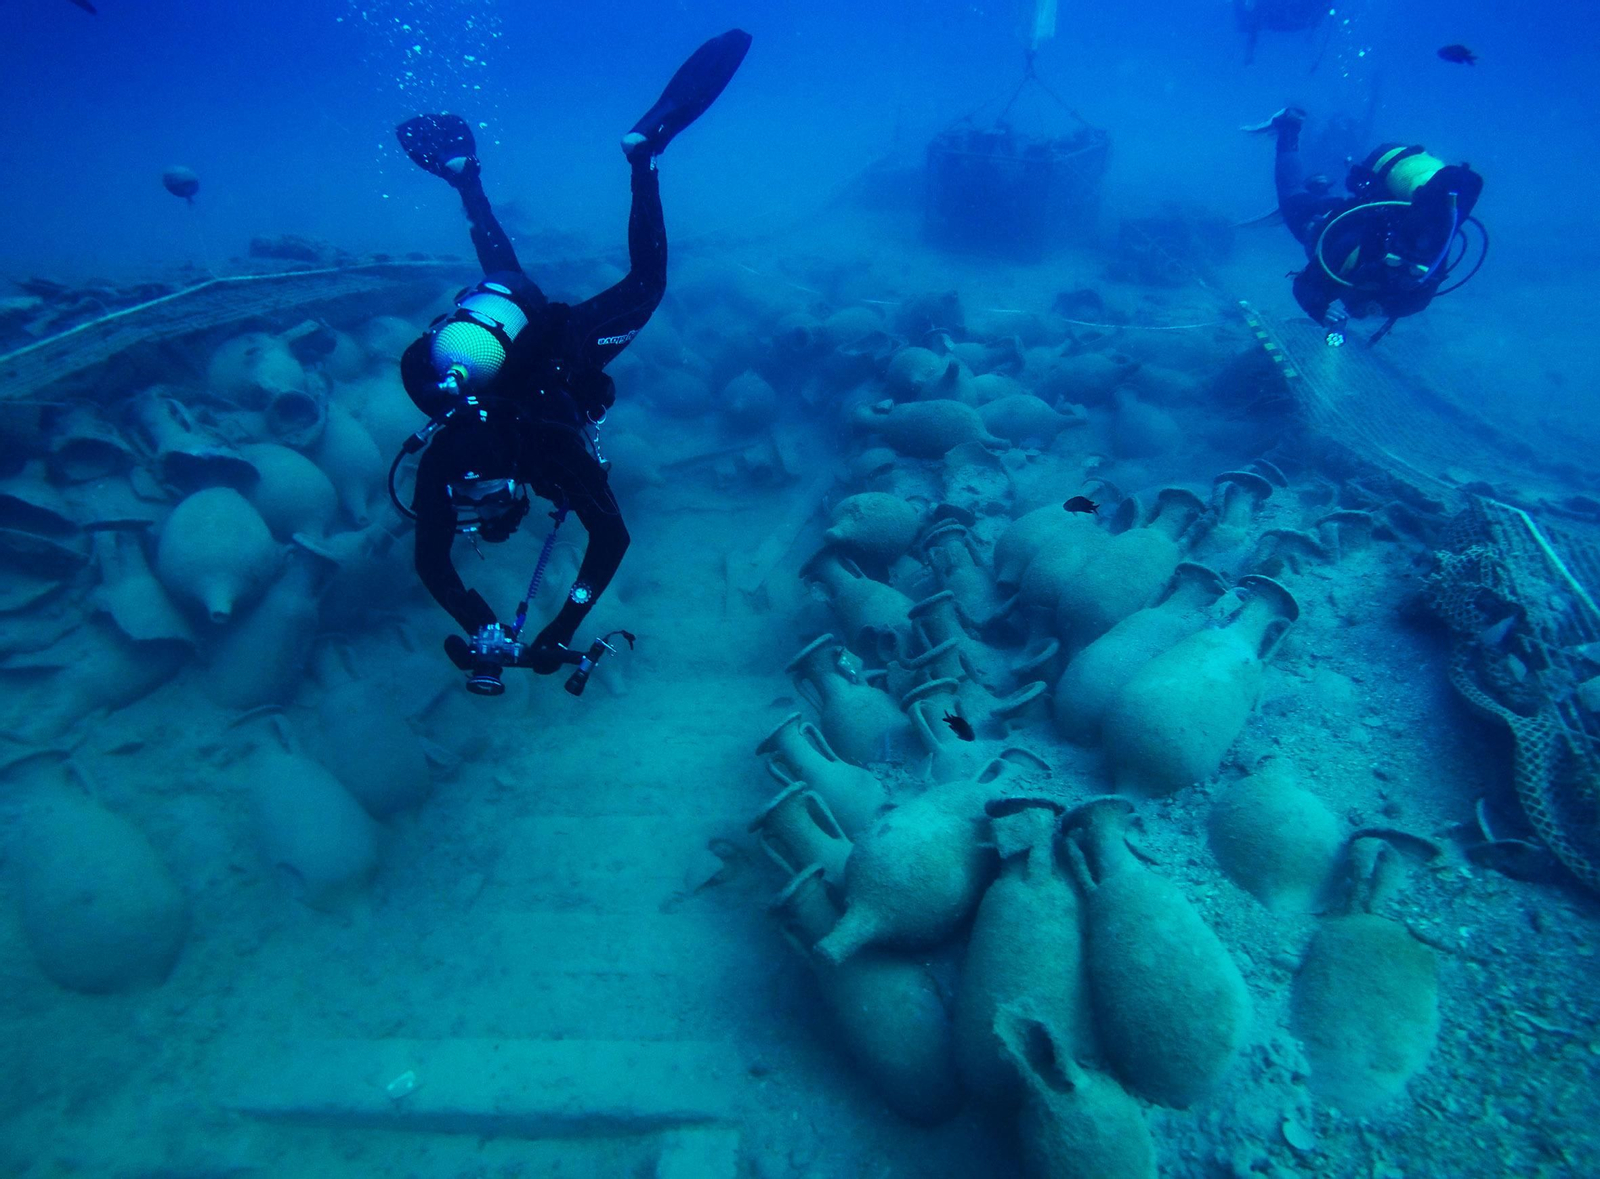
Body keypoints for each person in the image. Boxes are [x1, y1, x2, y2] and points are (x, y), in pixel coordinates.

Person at [393, 30, 752, 695]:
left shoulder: (523, 454)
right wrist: (510, 623)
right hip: (514, 339)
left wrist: (546, 627)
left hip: (562, 350)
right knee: (506, 276)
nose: (482, 507)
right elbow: (436, 561)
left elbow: (609, 541)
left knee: (646, 284)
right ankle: (465, 178)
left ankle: (644, 158)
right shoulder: (447, 441)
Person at [1244, 106, 1484, 344]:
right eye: (1396, 263)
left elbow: (1411, 302)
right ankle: (1289, 126)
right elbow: (1306, 284)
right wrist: (1318, 309)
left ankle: (1318, 187)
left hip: (1367, 220)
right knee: (1290, 195)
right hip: (1326, 222)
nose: (1402, 272)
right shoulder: (1355, 251)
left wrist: (1365, 306)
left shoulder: (1427, 269)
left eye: (1412, 270)